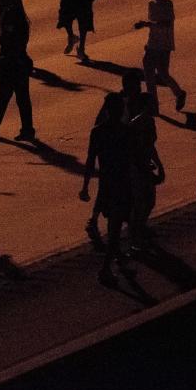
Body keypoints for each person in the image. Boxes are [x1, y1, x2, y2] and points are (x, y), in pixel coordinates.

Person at [79, 93, 134, 284]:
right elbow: (131, 160)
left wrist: (85, 186)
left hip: (107, 184)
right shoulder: (125, 131)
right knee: (117, 227)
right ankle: (106, 268)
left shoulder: (98, 132)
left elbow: (90, 160)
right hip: (122, 184)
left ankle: (119, 261)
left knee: (115, 225)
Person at [0, 3, 36, 142]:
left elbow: (14, 52)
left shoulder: (17, 29)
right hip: (11, 67)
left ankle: (25, 130)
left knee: (20, 99)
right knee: (7, 99)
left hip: (15, 67)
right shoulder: (15, 26)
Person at [134, 0, 186, 114]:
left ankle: (176, 94)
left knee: (161, 73)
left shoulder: (167, 4)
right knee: (150, 73)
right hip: (153, 43)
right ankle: (157, 103)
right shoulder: (151, 4)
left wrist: (146, 24)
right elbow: (154, 24)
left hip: (163, 44)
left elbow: (166, 23)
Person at [129, 92, 164, 249]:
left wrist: (159, 165)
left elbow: (151, 146)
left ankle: (139, 229)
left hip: (144, 165)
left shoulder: (149, 121)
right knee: (142, 202)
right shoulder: (136, 124)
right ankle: (136, 234)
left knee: (149, 201)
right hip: (137, 167)